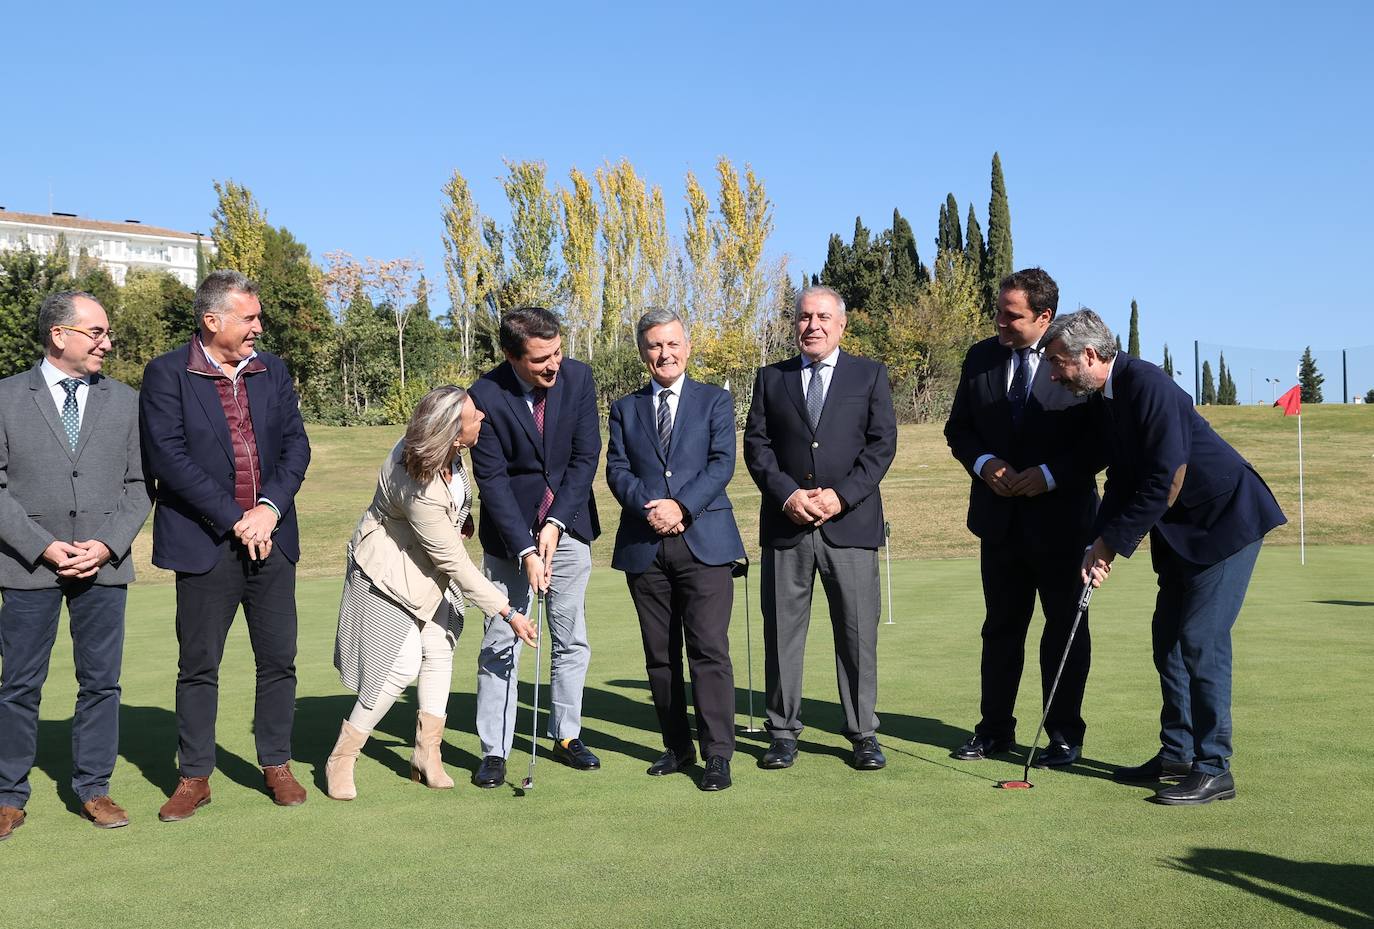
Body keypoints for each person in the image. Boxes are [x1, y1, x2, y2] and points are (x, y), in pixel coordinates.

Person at [1042, 309, 1286, 804]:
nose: (1053, 374)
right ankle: (1178, 752)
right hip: (1180, 532)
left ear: (1088, 355)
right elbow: (1121, 478)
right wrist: (1098, 541)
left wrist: (1112, 544)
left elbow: (1166, 478)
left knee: (1199, 639)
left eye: (1058, 362)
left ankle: (1214, 768)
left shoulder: (1147, 383)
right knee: (1167, 641)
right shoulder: (1105, 398)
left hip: (1223, 522)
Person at [140, 269, 312, 821]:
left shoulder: (271, 370)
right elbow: (169, 459)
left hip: (272, 539)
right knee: (198, 665)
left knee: (278, 660)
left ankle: (276, 763)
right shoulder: (166, 373)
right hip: (205, 544)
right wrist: (238, 519)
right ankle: (194, 776)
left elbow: (296, 447)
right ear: (212, 320)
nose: (259, 327)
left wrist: (268, 510)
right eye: (250, 318)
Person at [327, 386, 538, 800]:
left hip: (430, 565)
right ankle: (343, 756)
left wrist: (460, 519)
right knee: (400, 665)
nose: (483, 418)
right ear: (453, 433)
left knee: (440, 648)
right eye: (474, 416)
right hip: (391, 570)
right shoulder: (418, 481)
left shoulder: (451, 454)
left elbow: (454, 506)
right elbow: (455, 562)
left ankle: (427, 753)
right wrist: (508, 612)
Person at [0, 291, 151, 839]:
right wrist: (41, 545)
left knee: (101, 684)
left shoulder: (127, 401)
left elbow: (140, 485)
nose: (107, 343)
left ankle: (94, 789)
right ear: (59, 335)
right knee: (19, 685)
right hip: (27, 565)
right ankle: (8, 795)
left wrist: (107, 545)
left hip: (103, 566)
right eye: (96, 332)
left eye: (107, 333)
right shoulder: (6, 396)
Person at [944, 269, 1100, 768]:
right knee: (1001, 630)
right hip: (999, 523)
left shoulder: (1076, 358)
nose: (999, 323)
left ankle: (1063, 735)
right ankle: (993, 730)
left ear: (1044, 316)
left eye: (1011, 316)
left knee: (1064, 629)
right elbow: (959, 429)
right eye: (998, 311)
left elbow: (1100, 442)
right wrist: (984, 463)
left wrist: (1049, 475)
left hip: (1064, 525)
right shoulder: (980, 358)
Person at [743, 285, 897, 771]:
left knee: (857, 636)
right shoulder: (771, 377)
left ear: (841, 324)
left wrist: (841, 496)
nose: (813, 325)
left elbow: (881, 446)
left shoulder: (870, 375)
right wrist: (787, 495)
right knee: (782, 635)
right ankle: (782, 733)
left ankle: (863, 734)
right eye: (804, 317)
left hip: (850, 527)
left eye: (823, 317)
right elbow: (757, 447)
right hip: (786, 526)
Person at [606, 309, 745, 792]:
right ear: (643, 352)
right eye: (654, 345)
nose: (664, 354)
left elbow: (721, 463)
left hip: (705, 543)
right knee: (660, 655)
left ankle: (717, 754)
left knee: (709, 650)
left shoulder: (715, 401)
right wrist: (652, 508)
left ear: (687, 347)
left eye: (672, 344)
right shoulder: (624, 408)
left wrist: (681, 507)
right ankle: (677, 746)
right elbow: (617, 469)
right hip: (645, 547)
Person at [467, 306, 601, 788]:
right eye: (541, 358)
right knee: (501, 641)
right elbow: (492, 481)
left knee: (570, 638)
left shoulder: (578, 378)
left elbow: (585, 457)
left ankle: (566, 735)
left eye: (558, 352)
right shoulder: (484, 395)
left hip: (570, 526)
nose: (554, 365)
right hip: (509, 539)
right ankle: (495, 750)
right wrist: (524, 549)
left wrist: (557, 522)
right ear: (511, 356)